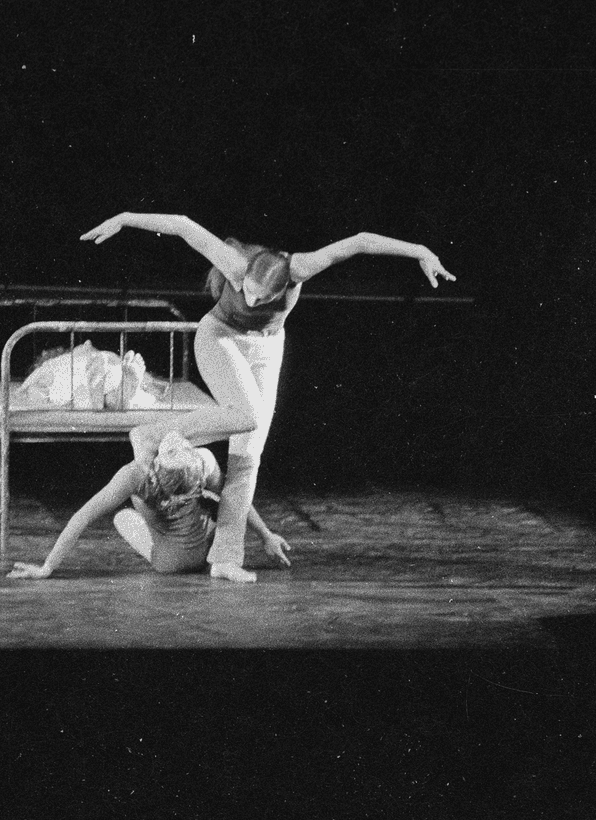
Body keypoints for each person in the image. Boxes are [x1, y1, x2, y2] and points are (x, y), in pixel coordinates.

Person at [77, 212, 456, 581]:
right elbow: (182, 225)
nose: (252, 301)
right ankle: (153, 433)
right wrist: (124, 218)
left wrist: (420, 250)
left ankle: (226, 558)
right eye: (248, 292)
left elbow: (358, 243)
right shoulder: (234, 264)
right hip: (220, 337)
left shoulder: (300, 268)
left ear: (284, 287)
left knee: (247, 458)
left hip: (267, 347)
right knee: (248, 416)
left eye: (263, 298)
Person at [6, 430, 291, 579]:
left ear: (155, 467)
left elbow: (82, 517)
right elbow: (235, 499)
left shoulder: (136, 474)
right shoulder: (204, 460)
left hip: (171, 562)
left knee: (122, 517)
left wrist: (47, 567)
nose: (177, 440)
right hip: (212, 548)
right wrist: (266, 535)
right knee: (222, 498)